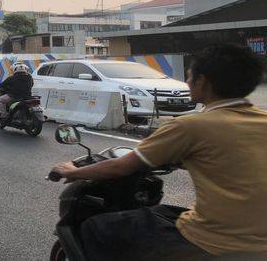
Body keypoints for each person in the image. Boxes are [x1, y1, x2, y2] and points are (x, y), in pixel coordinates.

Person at [51, 43, 267, 260]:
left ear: (203, 81)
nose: (188, 82)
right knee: (163, 214)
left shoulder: (188, 126)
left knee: (96, 227)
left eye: (190, 77)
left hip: (216, 240)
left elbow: (120, 167)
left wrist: (71, 171)